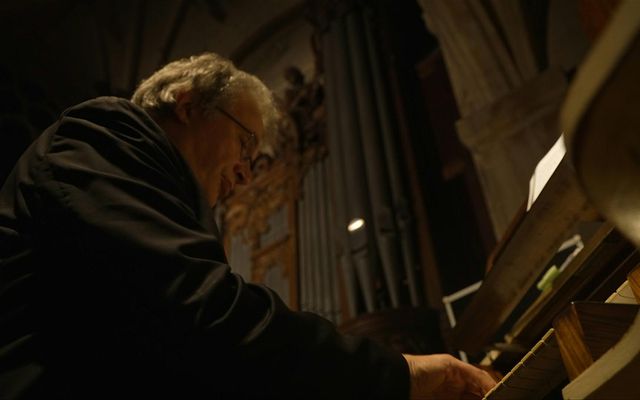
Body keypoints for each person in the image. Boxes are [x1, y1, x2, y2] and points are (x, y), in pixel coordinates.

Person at [0, 53, 495, 399]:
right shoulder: (107, 132)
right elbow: (203, 314)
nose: (245, 172)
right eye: (243, 144)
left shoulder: (162, 195)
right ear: (187, 103)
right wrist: (398, 372)